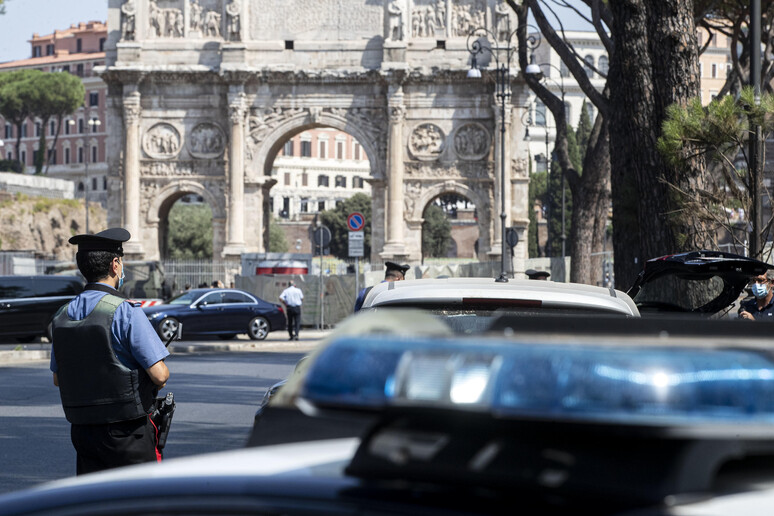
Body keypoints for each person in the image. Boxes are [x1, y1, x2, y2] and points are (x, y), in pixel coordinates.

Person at [50, 228, 170, 475]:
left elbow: (57, 378)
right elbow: (160, 375)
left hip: (83, 432)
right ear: (116, 265)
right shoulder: (125, 311)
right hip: (127, 433)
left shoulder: (61, 316)